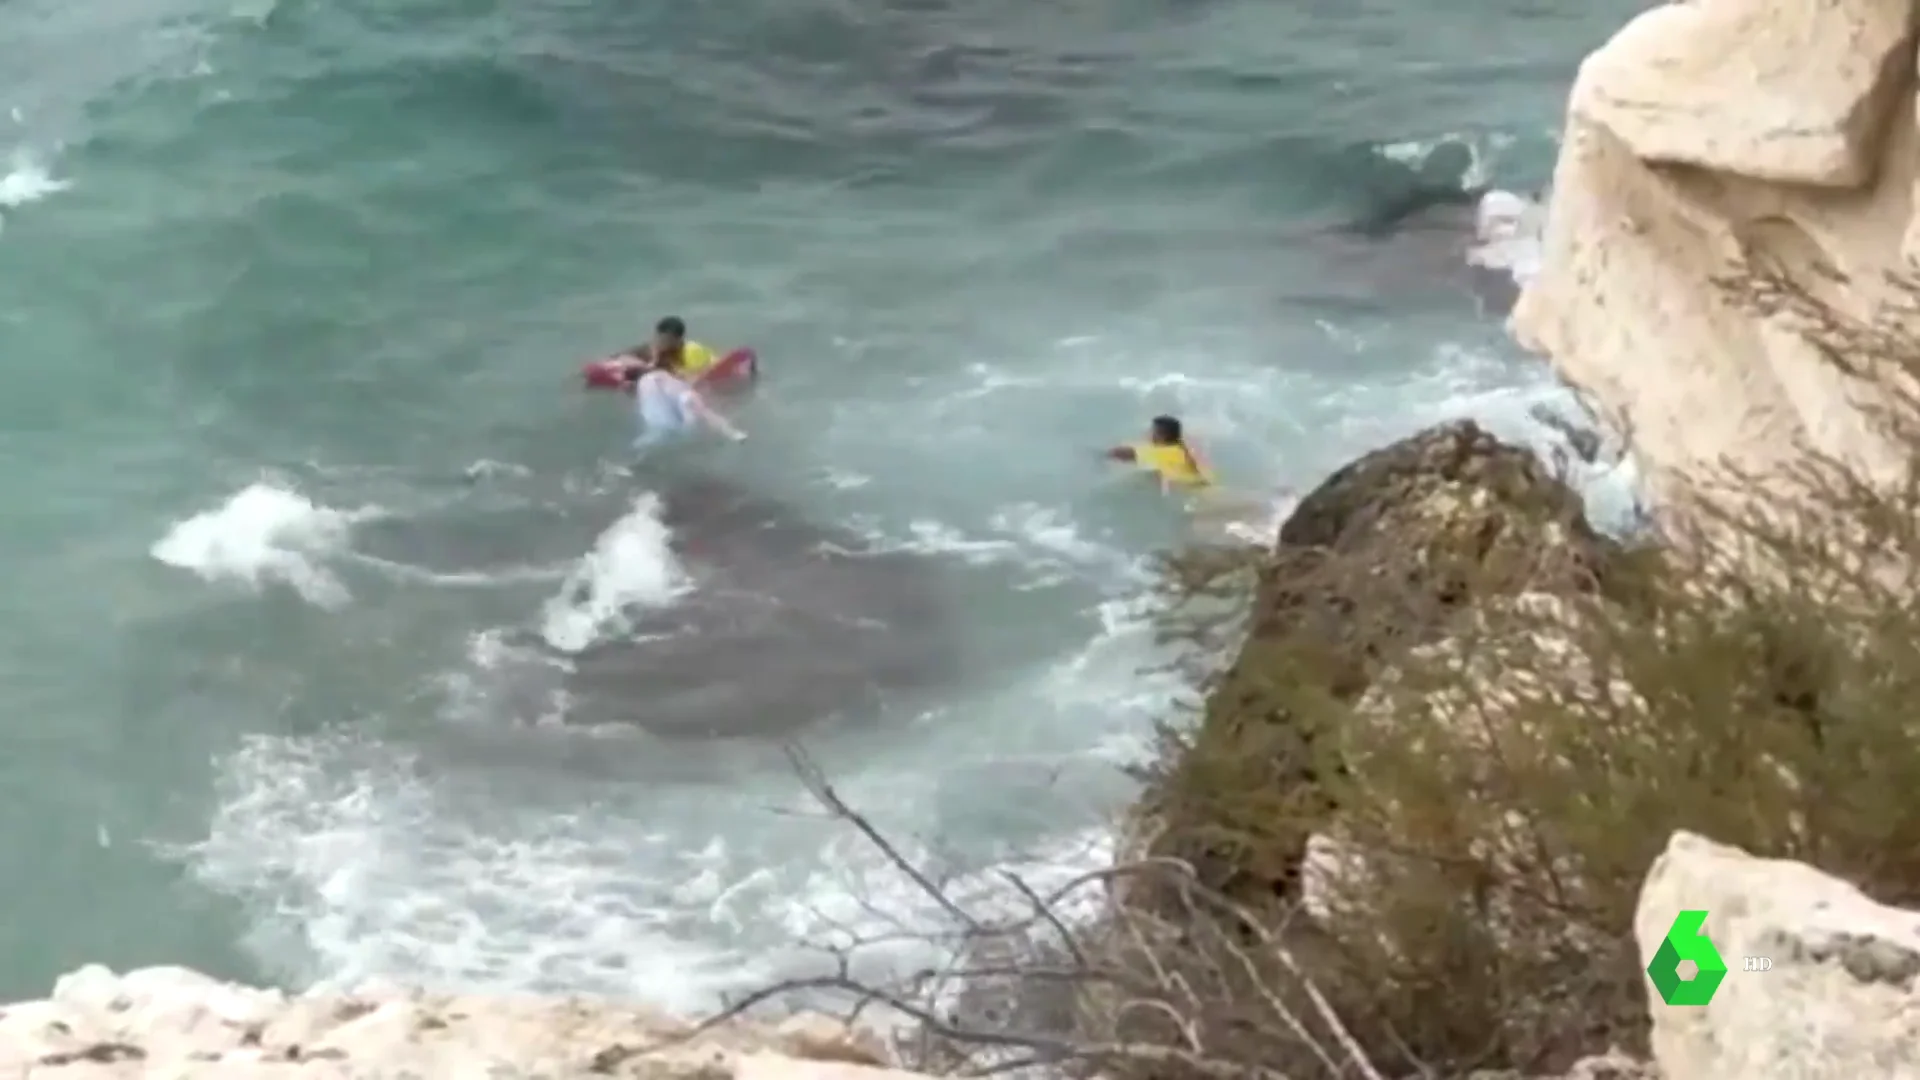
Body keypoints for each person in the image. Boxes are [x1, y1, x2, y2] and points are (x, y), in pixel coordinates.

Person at [631, 347, 746, 450]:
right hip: (684, 429)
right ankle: (732, 433)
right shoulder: (659, 377)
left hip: (655, 433)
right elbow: (683, 394)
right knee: (693, 401)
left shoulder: (642, 386)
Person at [1106, 415, 1212, 493]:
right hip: (1208, 491)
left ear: (1160, 435)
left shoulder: (1161, 453)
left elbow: (1124, 453)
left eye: (1152, 431)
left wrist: (1103, 455)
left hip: (1198, 498)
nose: (1148, 434)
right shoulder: (1182, 450)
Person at [612, 316, 721, 385]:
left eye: (668, 340)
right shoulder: (652, 348)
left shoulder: (691, 351)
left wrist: (673, 374)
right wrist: (647, 366)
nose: (663, 343)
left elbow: (697, 379)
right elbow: (620, 357)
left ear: (678, 340)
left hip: (704, 370)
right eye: (660, 338)